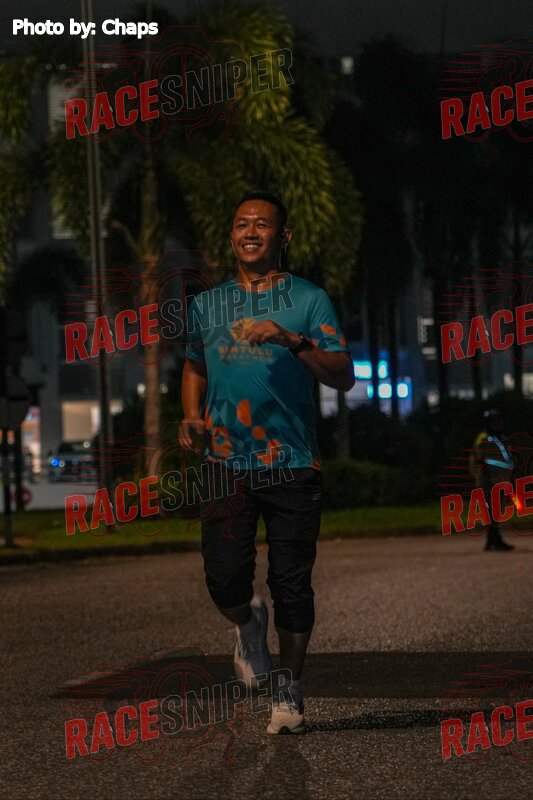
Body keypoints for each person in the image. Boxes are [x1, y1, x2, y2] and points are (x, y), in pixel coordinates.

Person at [179, 191, 355, 734]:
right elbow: (195, 365)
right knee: (224, 578)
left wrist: (292, 339)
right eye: (241, 224)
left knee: (292, 583)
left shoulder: (309, 299)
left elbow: (343, 374)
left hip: (292, 462)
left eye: (262, 224)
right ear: (231, 235)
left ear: (284, 237)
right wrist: (191, 416)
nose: (250, 232)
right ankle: (248, 622)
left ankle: (288, 690)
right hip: (225, 462)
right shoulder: (207, 305)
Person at [470, 409, 514, 552]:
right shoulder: (484, 437)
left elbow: (505, 456)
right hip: (488, 480)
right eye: (494, 421)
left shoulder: (499, 437)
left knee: (495, 511)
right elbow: (480, 458)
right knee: (492, 511)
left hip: (500, 479)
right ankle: (495, 540)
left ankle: (491, 541)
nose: (498, 424)